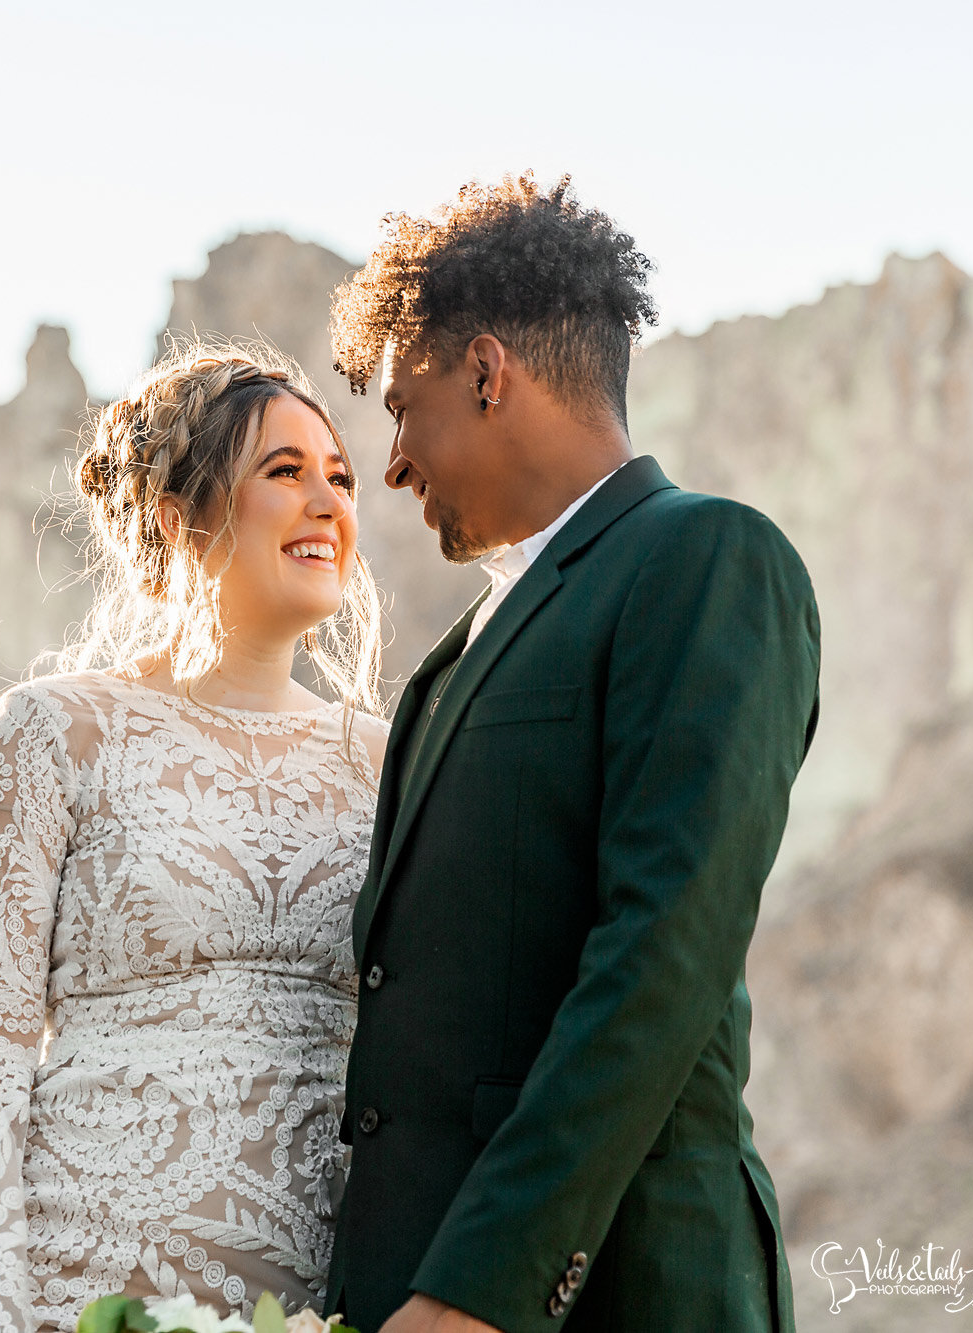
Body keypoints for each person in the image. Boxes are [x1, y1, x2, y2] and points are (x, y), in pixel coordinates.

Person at [0, 343, 389, 1333]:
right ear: (180, 518)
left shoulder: (392, 763)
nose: (328, 502)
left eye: (340, 478)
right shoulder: (54, 732)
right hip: (80, 1289)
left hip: (322, 1293)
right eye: (285, 472)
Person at [321, 175, 820, 1333]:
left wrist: (477, 1289)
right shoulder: (446, 668)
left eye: (403, 408)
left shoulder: (703, 560)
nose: (391, 463)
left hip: (614, 1287)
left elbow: (661, 951)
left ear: (488, 372)